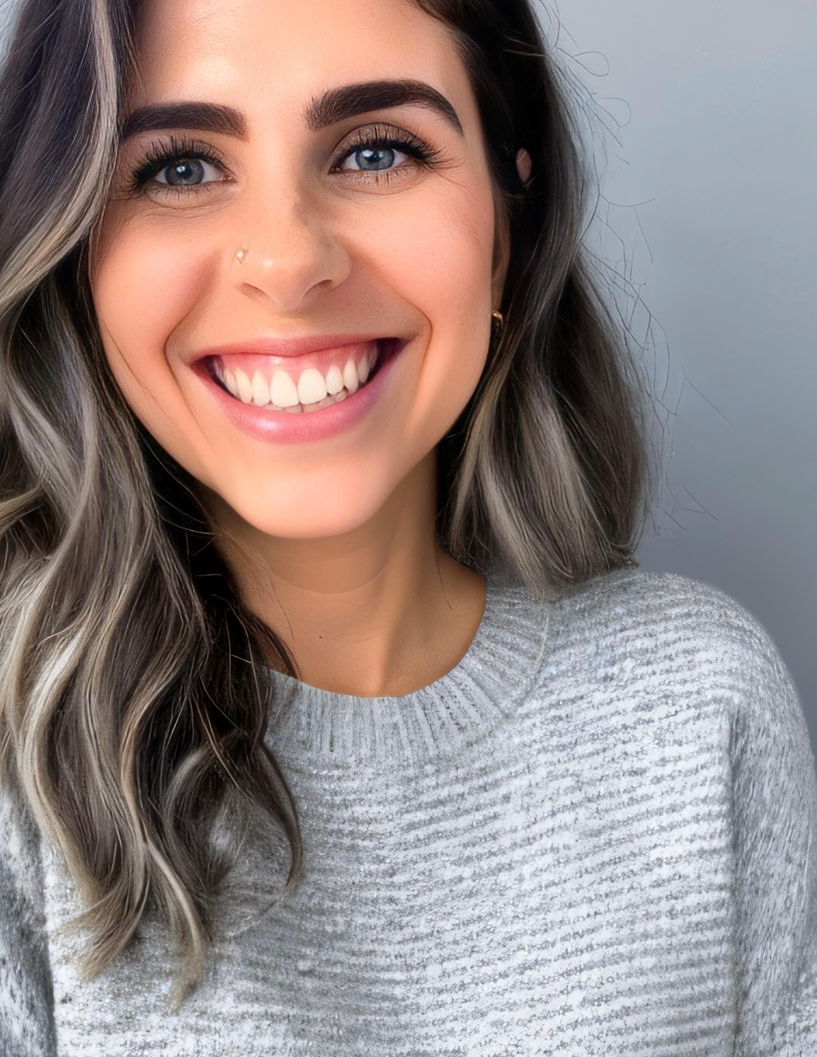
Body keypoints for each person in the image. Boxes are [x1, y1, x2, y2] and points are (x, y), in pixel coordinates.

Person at [0, 0, 814, 1052]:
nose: (287, 262)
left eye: (377, 150)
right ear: (75, 254)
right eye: (180, 168)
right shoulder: (19, 744)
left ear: (506, 228)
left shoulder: (699, 704)